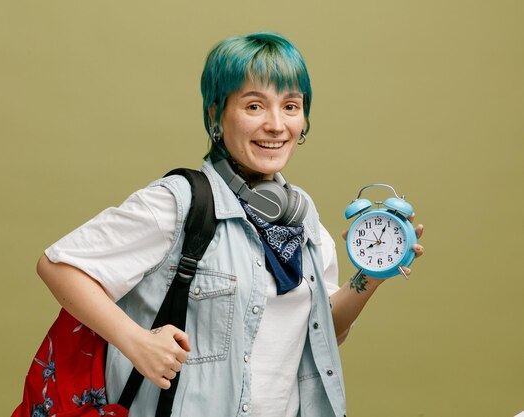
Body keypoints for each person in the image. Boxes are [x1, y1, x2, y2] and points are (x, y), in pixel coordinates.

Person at [36, 32, 424, 417]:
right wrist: (137, 342)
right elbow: (59, 266)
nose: (276, 125)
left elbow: (323, 331)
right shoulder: (179, 205)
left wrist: (373, 271)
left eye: (291, 106)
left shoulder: (303, 222)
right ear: (215, 114)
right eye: (255, 106)